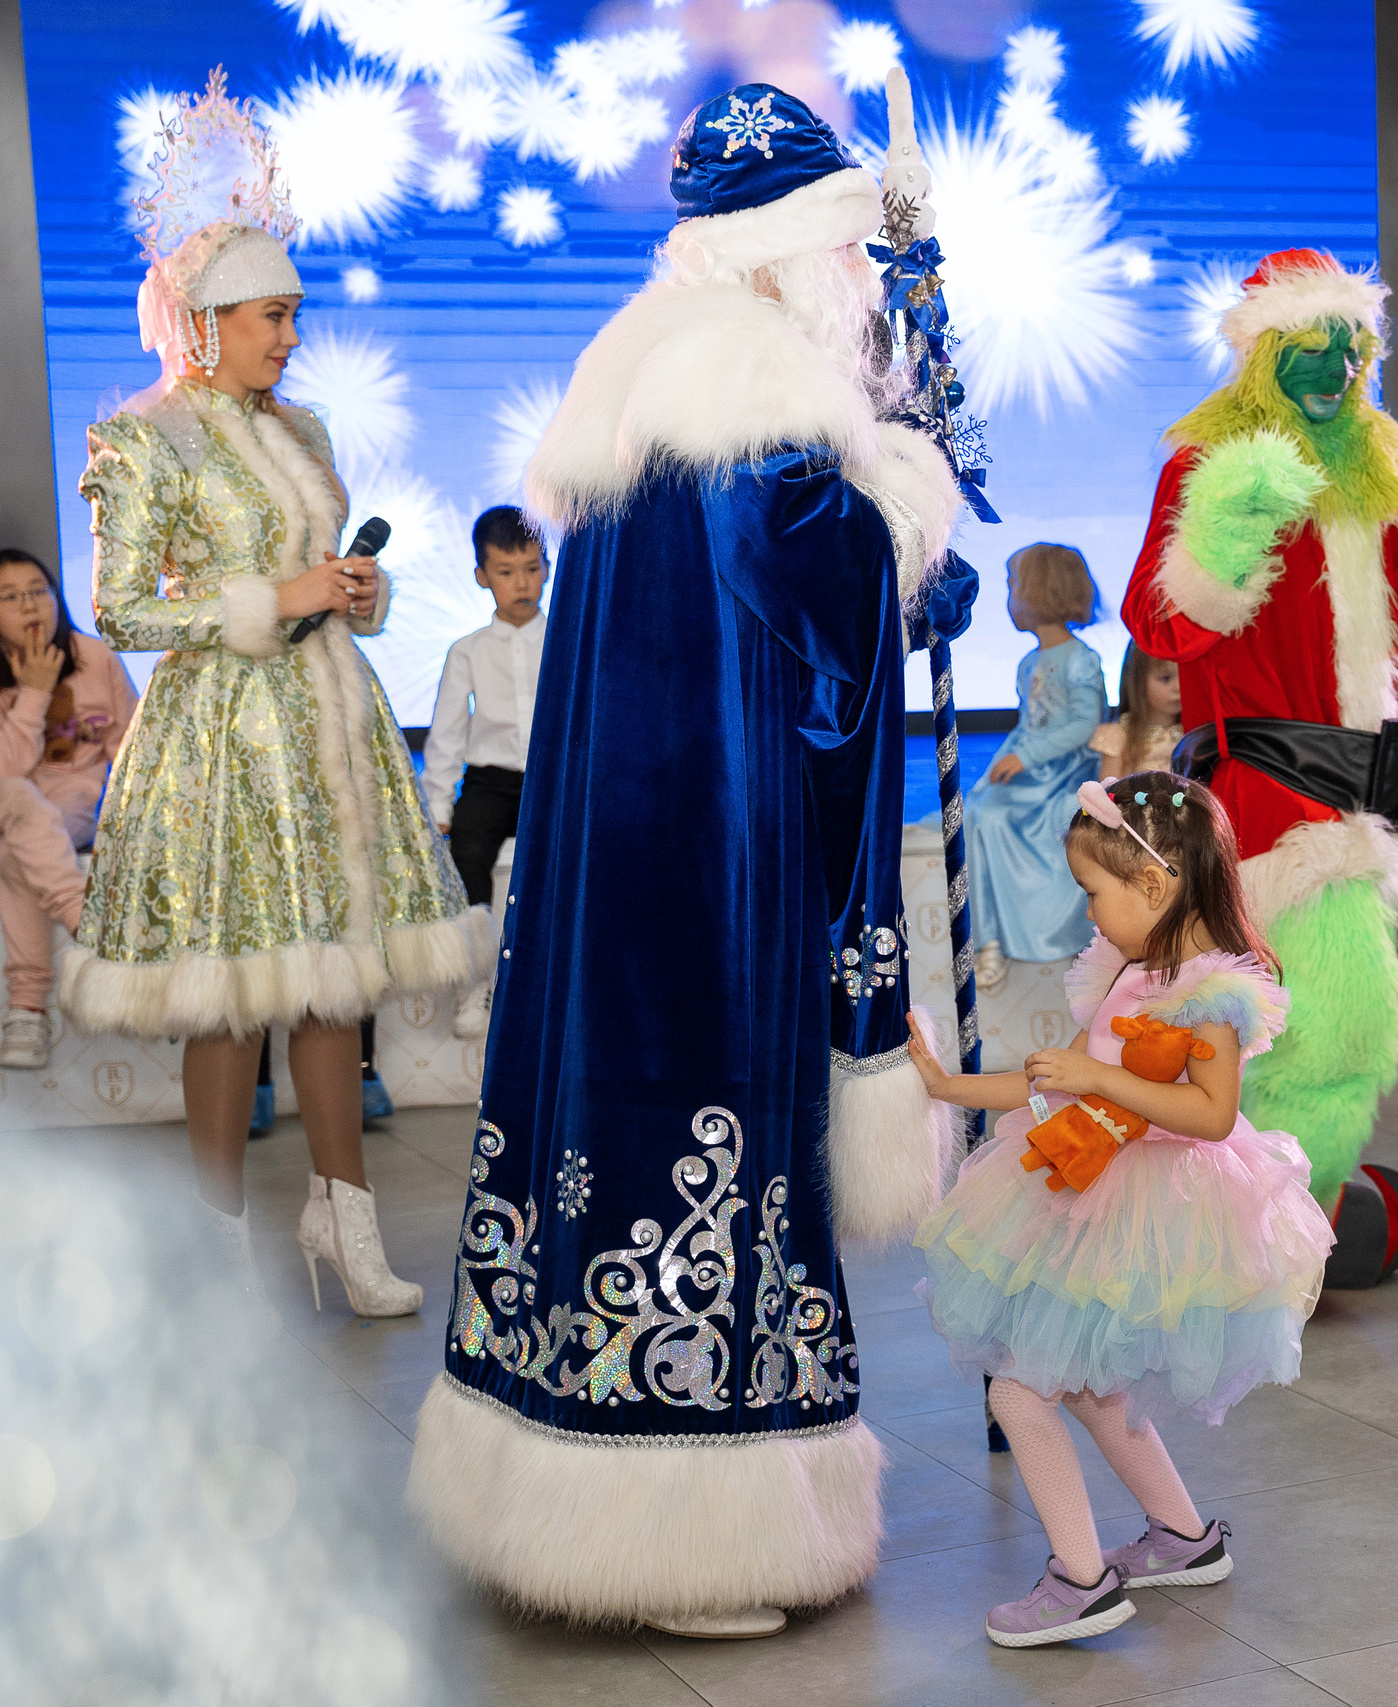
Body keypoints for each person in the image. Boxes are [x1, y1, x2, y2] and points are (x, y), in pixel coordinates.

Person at [407, 83, 968, 1639]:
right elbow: (828, 632)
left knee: (600, 1136)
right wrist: (910, 514)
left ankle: (563, 1482)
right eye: (838, 252)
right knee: (701, 1145)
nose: (853, 280)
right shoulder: (755, 402)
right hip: (712, 863)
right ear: (783, 251)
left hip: (621, 855)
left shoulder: (640, 384)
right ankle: (694, 1529)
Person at [63, 76, 490, 1319]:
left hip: (329, 725)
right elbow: (122, 611)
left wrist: (357, 592)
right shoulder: (144, 437)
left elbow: (322, 574)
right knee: (230, 993)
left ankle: (343, 1225)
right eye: (274, 315)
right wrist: (269, 598)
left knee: (333, 982)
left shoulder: (302, 430)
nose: (291, 337)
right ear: (208, 320)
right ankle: (214, 1241)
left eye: (294, 314)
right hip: (218, 740)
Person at [1120, 249, 1398, 1286]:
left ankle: (1265, 1211)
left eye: (1352, 350)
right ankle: (1274, 1225)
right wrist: (1228, 530)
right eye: (1311, 347)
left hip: (1361, 793)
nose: (1336, 370)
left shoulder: (1376, 464)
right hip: (1269, 789)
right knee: (1336, 1027)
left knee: (1281, 1021)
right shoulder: (1209, 459)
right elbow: (1160, 625)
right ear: (1264, 352)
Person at [909, 772, 1332, 1647]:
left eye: (1094, 892)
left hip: (1157, 1210)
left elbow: (1210, 1113)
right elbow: (1053, 1086)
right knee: (1093, 1385)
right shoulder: (1127, 968)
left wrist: (1100, 1077)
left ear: (1154, 882)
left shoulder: (1209, 990)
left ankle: (1082, 1580)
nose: (1088, 912)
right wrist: (947, 1086)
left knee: (1021, 1392)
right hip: (1091, 1189)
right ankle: (1184, 1536)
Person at [0, 548, 137, 1069]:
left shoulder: (96, 658)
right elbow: (2, 769)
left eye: (39, 590)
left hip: (68, 798)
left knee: (15, 853)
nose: (30, 605)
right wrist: (33, 693)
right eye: (10, 597)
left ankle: (27, 1011)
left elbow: (130, 749)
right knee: (19, 797)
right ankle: (87, 923)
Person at [422, 504, 549, 1039]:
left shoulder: (567, 641)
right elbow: (447, 732)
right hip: (491, 781)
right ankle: (475, 980)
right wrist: (438, 806)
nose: (522, 583)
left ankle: (560, 975)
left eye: (533, 568)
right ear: (481, 576)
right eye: (506, 571)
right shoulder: (467, 651)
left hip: (553, 779)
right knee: (469, 851)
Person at [964, 543, 1108, 985]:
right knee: (980, 812)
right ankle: (989, 937)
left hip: (1064, 775)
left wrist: (1025, 757)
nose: (1009, 597)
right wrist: (1000, 764)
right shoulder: (1029, 662)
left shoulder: (1081, 659)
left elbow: (1084, 724)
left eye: (1013, 586)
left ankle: (1074, 934)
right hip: (1030, 773)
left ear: (1038, 592)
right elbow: (1027, 724)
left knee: (1033, 819)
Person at [1091, 640, 1183, 775]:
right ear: (1138, 680)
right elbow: (1109, 785)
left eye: (1185, 677)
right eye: (1165, 678)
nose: (1179, 687)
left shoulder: (1197, 733)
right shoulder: (1119, 734)